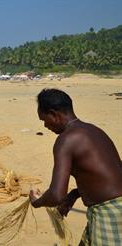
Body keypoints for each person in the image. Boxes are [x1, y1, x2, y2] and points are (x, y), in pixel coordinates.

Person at [29, 88, 122, 246]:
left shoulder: (66, 140)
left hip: (110, 213)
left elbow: (56, 195)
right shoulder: (93, 130)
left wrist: (36, 202)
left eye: (44, 119)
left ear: (54, 114)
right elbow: (107, 175)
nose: (45, 125)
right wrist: (74, 194)